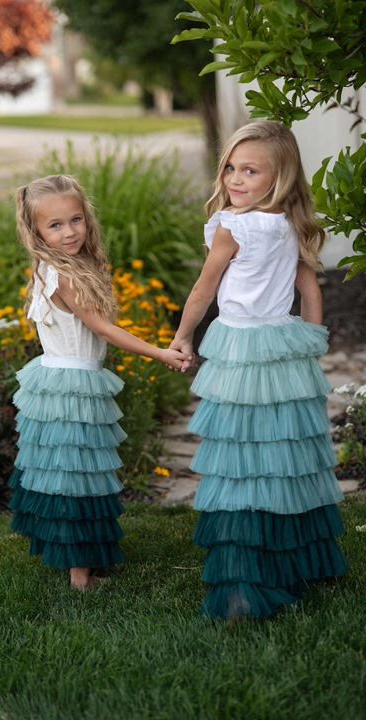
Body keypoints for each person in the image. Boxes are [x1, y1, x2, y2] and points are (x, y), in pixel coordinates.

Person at [170, 120, 348, 620]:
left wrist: (184, 336)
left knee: (242, 453)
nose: (235, 179)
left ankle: (247, 579)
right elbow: (310, 293)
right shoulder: (292, 222)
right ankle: (299, 559)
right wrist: (310, 343)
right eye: (230, 167)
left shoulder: (235, 224)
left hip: (244, 344)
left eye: (251, 170)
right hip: (283, 341)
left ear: (281, 176)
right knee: (286, 451)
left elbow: (204, 289)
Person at [8, 174, 190, 590]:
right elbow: (105, 332)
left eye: (75, 219)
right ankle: (80, 578)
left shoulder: (47, 266)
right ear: (35, 230)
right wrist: (160, 352)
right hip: (73, 385)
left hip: (54, 379)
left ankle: (74, 560)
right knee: (77, 477)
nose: (69, 231)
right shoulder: (67, 276)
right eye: (55, 225)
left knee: (59, 471)